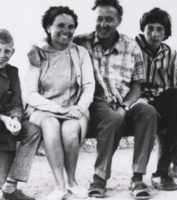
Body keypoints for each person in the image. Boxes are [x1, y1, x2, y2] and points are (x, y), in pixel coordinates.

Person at [28, 1, 158, 199]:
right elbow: (56, 38)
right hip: (98, 103)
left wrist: (125, 106)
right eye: (99, 19)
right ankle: (99, 178)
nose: (103, 24)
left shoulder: (131, 46)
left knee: (148, 113)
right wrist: (35, 44)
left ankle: (138, 177)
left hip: (124, 101)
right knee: (112, 118)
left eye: (109, 19)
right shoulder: (83, 42)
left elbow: (137, 86)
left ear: (119, 21)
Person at [25, 6, 95, 200]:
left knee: (71, 129)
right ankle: (60, 187)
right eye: (61, 25)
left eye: (71, 26)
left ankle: (72, 182)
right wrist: (58, 109)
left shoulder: (80, 53)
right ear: (49, 27)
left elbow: (89, 85)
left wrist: (80, 108)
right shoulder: (37, 54)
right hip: (44, 108)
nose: (66, 30)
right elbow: (30, 93)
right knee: (51, 124)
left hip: (74, 108)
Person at [135, 8, 177, 191]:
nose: (154, 34)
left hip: (161, 101)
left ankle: (176, 163)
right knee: (149, 110)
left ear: (166, 33)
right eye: (150, 28)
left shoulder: (171, 53)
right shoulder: (132, 47)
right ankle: (155, 174)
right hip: (138, 102)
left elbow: (171, 86)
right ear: (143, 29)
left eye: (160, 29)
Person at [0, 29, 41, 200]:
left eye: (7, 51)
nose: (2, 55)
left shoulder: (12, 73)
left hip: (6, 125)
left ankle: (10, 184)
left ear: (12, 52)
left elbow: (16, 103)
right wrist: (5, 119)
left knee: (33, 130)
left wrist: (16, 119)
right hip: (2, 122)